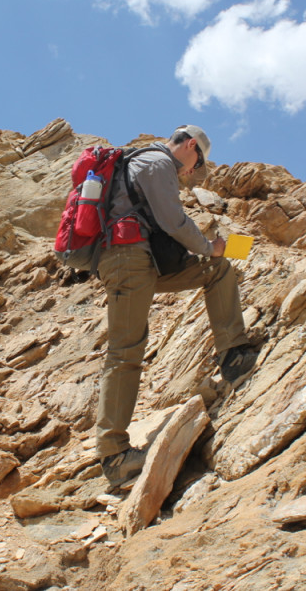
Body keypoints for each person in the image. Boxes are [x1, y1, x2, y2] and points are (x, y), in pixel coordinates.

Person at [95, 125, 256, 488]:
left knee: (218, 270)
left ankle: (232, 354)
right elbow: (173, 220)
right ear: (190, 145)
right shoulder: (156, 163)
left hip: (142, 261)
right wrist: (209, 245)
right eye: (196, 162)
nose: (191, 171)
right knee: (125, 352)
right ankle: (114, 454)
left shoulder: (149, 163)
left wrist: (213, 252)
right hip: (127, 260)